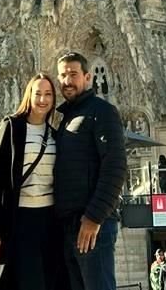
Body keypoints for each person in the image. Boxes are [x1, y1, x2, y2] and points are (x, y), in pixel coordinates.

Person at [55, 52, 127, 290]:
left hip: (92, 227)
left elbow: (115, 166)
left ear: (88, 77)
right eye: (63, 75)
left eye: (73, 74)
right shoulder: (65, 118)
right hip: (69, 228)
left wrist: (95, 217)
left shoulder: (102, 111)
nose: (68, 80)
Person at [0, 72, 58, 290]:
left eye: (48, 94)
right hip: (18, 218)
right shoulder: (12, 127)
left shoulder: (55, 134)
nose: (42, 99)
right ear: (29, 95)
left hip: (47, 219)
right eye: (38, 94)